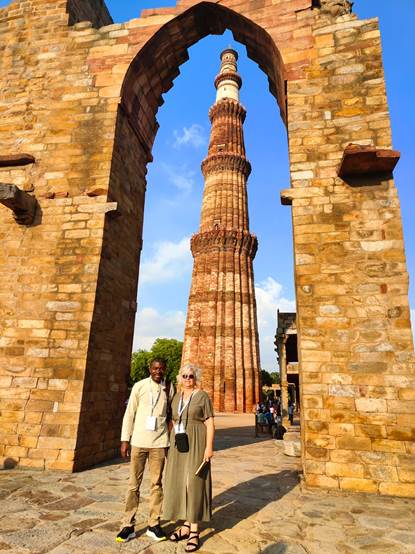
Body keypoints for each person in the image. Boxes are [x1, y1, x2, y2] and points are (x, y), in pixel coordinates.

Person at [116, 358, 173, 544]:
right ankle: (128, 524)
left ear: (165, 370)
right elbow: (129, 413)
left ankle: (153, 523)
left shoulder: (169, 388)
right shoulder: (139, 387)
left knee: (156, 484)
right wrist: (125, 439)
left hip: (159, 443)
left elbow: (172, 416)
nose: (158, 371)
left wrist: (170, 442)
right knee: (134, 484)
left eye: (161, 369)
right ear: (150, 369)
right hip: (139, 441)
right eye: (155, 368)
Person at [163, 364, 214, 552]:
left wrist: (209, 448)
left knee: (194, 483)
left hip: (198, 441)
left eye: (191, 376)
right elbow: (174, 420)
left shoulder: (202, 396)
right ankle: (185, 524)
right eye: (184, 376)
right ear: (180, 378)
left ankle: (194, 530)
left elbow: (209, 423)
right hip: (179, 442)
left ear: (196, 378)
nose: (187, 379)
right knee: (180, 482)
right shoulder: (177, 396)